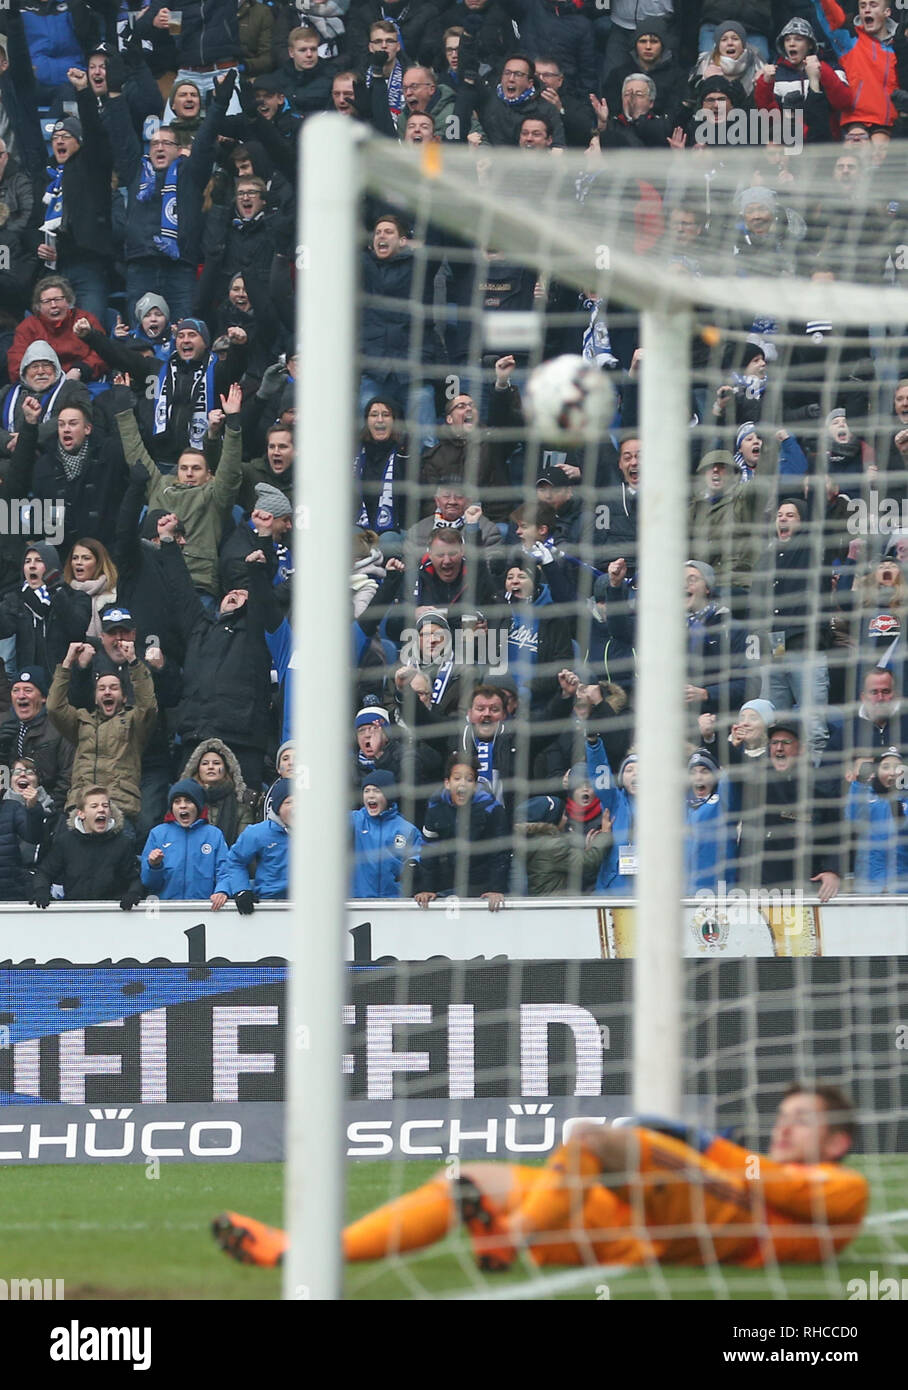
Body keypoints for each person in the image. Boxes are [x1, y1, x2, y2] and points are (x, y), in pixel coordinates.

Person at [213, 1083, 869, 1272]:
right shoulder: (747, 1164)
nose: (785, 1129)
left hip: (726, 1226)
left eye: (802, 1121)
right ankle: (302, 1257)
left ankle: (511, 1237)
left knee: (593, 1137)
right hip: (644, 1234)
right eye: (782, 1118)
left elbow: (777, 1186)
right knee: (469, 1179)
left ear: (836, 1142)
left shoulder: (848, 1188)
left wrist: (704, 1142)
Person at [47, 639, 158, 824]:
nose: (107, 692)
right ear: (96, 697)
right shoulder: (81, 720)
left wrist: (133, 662)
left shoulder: (133, 722)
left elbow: (148, 706)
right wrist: (67, 663)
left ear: (123, 698)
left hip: (119, 807)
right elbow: (54, 708)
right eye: (101, 688)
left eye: (114, 688)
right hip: (81, 807)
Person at [411, 752, 509, 910]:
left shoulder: (492, 808)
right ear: (447, 783)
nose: (462, 784)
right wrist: (427, 888)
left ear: (475, 785)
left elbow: (500, 853)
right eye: (457, 778)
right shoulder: (435, 807)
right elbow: (429, 850)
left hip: (485, 879)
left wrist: (496, 890)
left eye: (469, 779)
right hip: (453, 875)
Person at [32, 784, 144, 909]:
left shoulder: (123, 843)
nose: (101, 809)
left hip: (112, 915)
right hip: (75, 915)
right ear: (81, 814)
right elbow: (44, 872)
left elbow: (135, 879)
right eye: (94, 806)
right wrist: (41, 890)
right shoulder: (65, 842)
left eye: (105, 806)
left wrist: (133, 893)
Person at [140, 778, 229, 905]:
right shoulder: (158, 834)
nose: (182, 805)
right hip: (166, 909)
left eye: (188, 801)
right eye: (177, 802)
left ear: (198, 806)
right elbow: (149, 883)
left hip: (204, 908)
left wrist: (222, 891)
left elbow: (225, 870)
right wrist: (154, 866)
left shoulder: (213, 835)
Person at [0, 666, 73, 813]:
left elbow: (68, 776)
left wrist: (50, 806)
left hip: (47, 806)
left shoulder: (58, 728)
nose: (21, 696)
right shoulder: (2, 723)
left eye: (28, 690)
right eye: (16, 690)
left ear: (44, 697)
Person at [216, 777, 291, 910]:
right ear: (277, 807)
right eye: (289, 802)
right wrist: (242, 889)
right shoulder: (259, 832)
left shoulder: (318, 834)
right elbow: (235, 861)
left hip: (310, 904)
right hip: (269, 904)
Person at [350, 770, 422, 898]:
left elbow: (418, 858)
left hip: (392, 904)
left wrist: (411, 866)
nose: (370, 795)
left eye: (377, 791)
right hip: (358, 902)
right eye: (367, 791)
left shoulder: (406, 829)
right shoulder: (355, 820)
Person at [179, 737, 259, 845]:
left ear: (226, 768)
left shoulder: (241, 808)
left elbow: (244, 847)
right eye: (205, 763)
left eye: (216, 763)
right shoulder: (181, 803)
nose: (210, 767)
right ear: (197, 769)